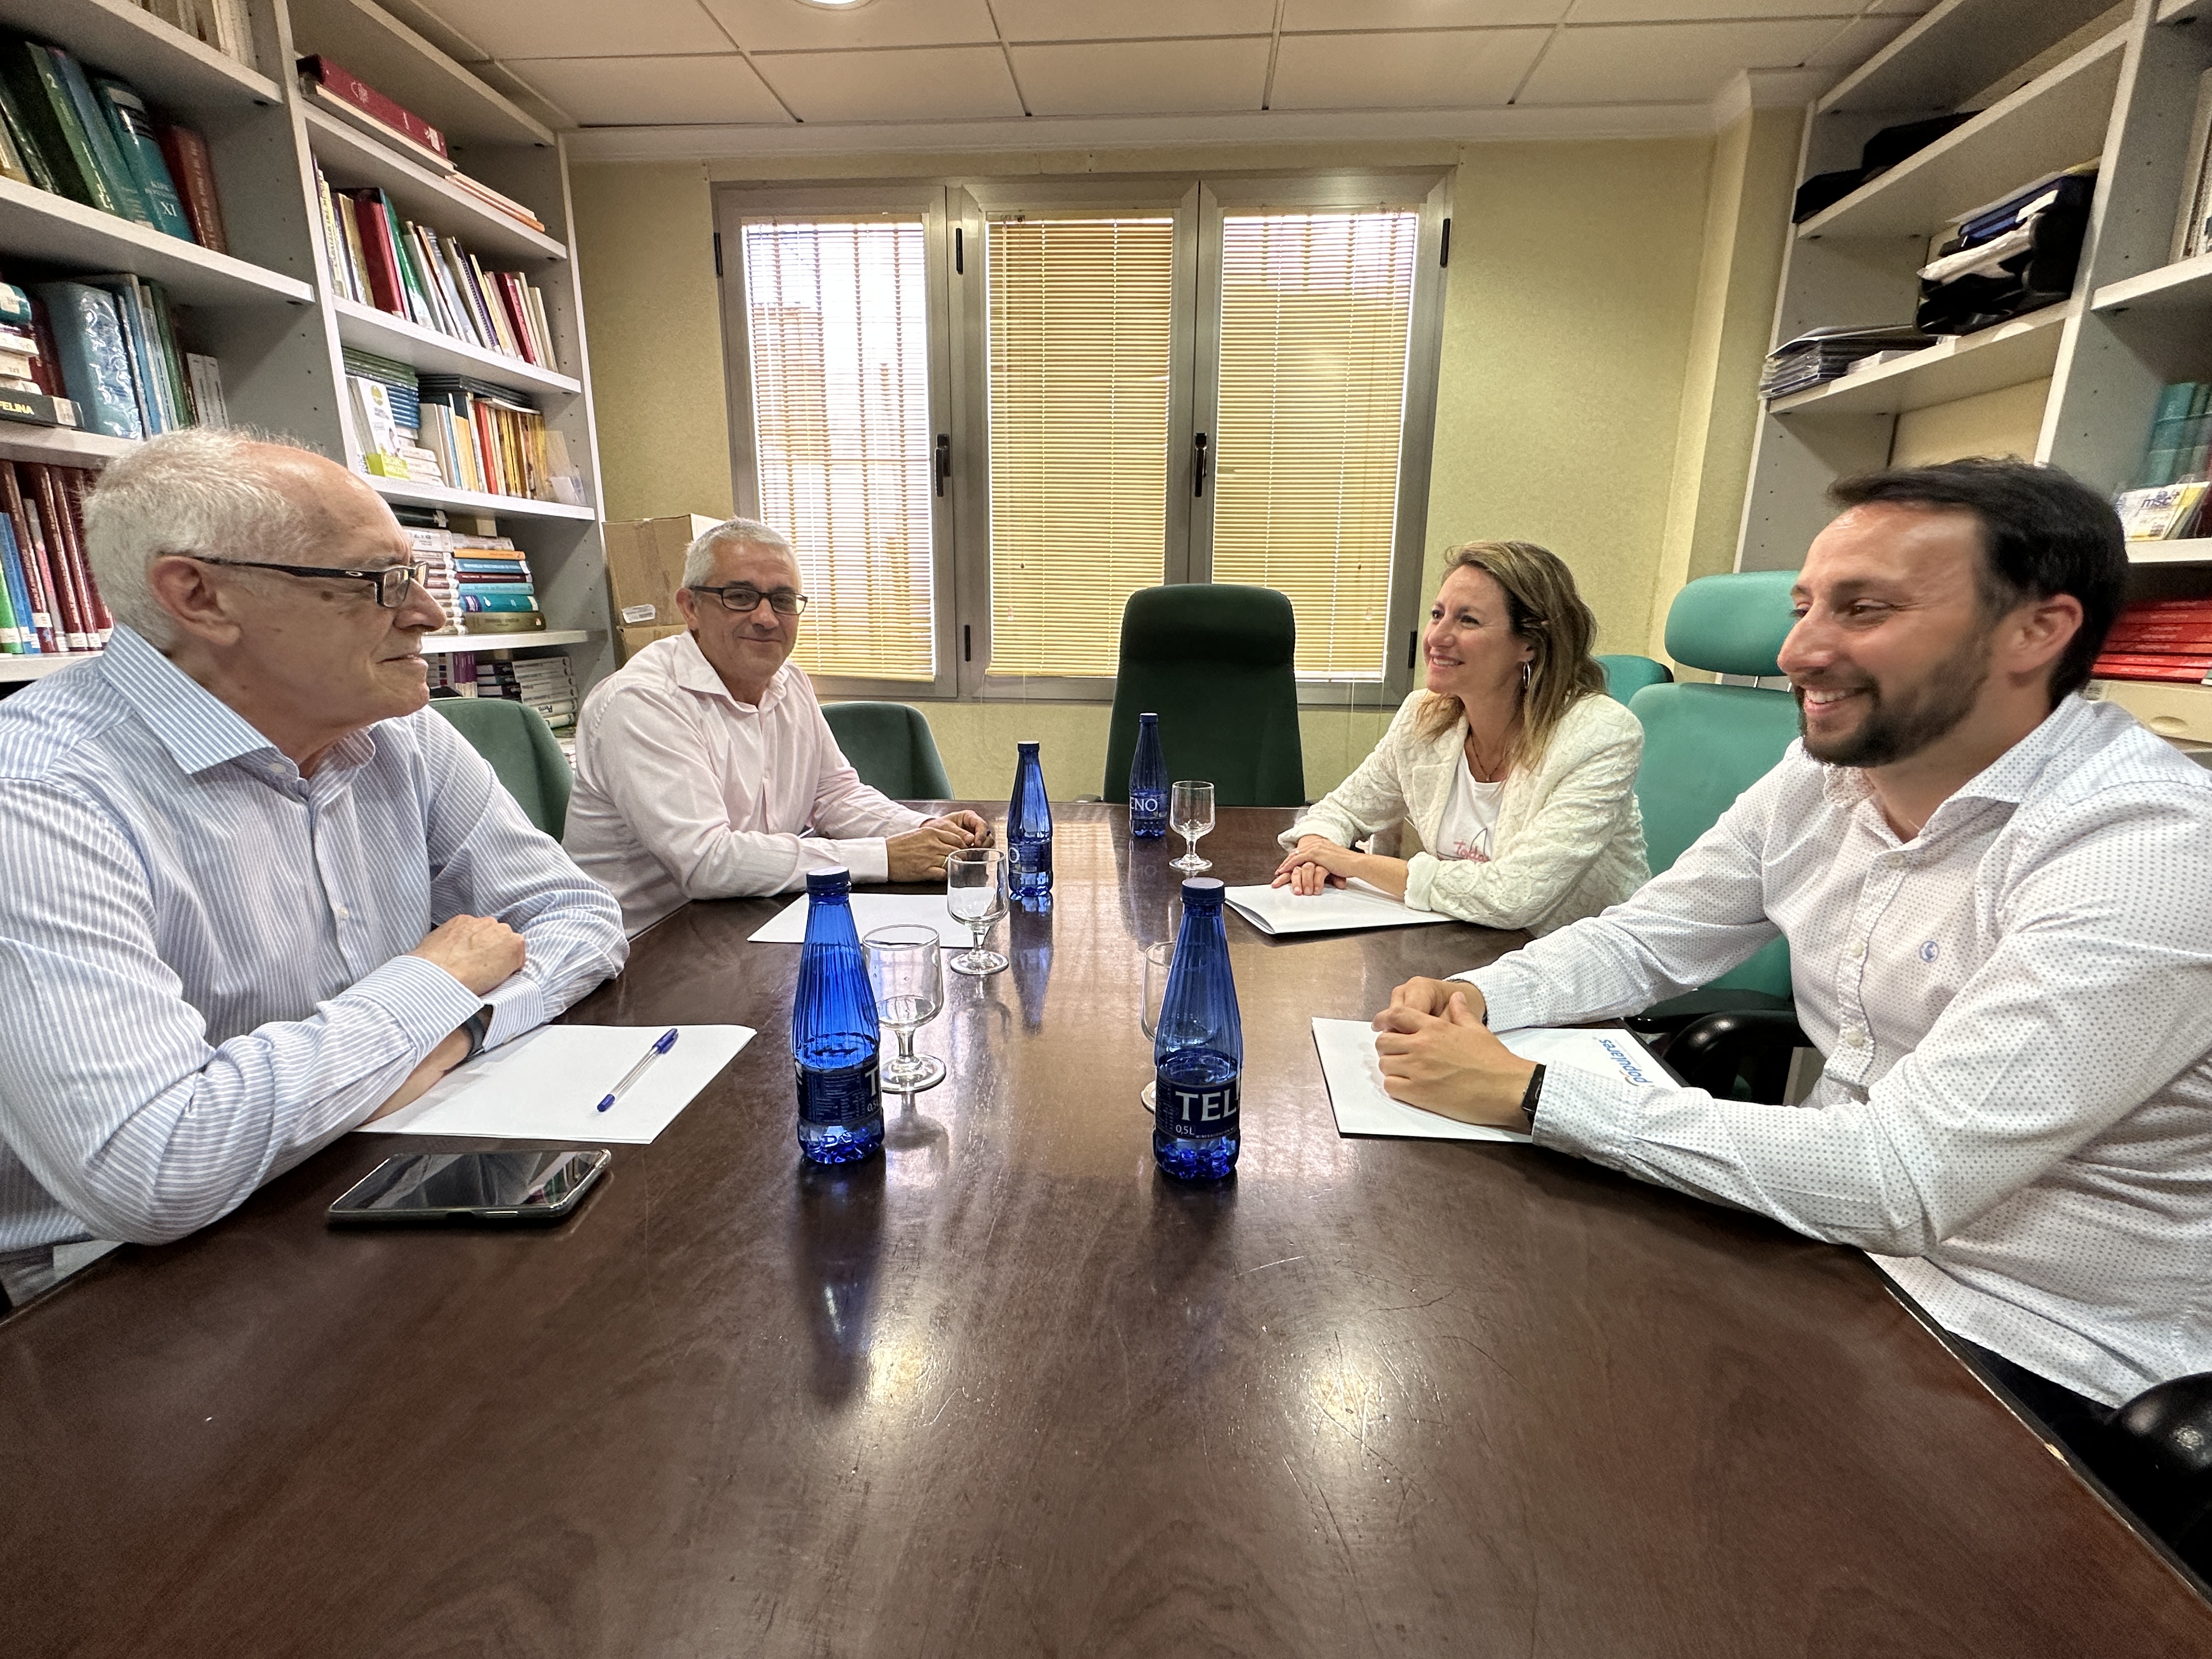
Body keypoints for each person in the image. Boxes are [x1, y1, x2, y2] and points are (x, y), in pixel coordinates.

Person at [1372, 460, 2212, 1519]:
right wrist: (1482, 995)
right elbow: (1648, 938)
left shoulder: (2147, 847)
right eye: (1804, 605)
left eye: (1863, 609)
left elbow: (1901, 1176)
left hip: (2033, 1355)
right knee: (1491, 1387)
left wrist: (1530, 1091)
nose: (1797, 649)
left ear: (2035, 631)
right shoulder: (1828, 775)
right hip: (1834, 1255)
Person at [0, 431, 627, 1291]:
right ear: (201, 597)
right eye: (378, 582)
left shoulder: (400, 729)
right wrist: (434, 984)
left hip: (375, 1167)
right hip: (121, 1294)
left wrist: (452, 1029)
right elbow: (154, 1169)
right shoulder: (40, 794)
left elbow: (579, 917)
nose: (427, 614)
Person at [566, 518, 989, 934]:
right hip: (646, 948)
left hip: (752, 917)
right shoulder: (642, 701)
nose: (767, 618)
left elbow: (834, 795)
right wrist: (885, 858)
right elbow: (707, 862)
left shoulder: (790, 682)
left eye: (783, 600)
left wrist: (921, 831)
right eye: (740, 596)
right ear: (691, 608)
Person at [1272, 540, 1646, 934]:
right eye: (1437, 614)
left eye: (1467, 620)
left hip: (1574, 968)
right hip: (1464, 949)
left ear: (1530, 644)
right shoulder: (1425, 716)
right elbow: (1341, 811)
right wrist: (1316, 852)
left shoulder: (1600, 736)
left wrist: (1354, 863)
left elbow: (1515, 896)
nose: (1436, 637)